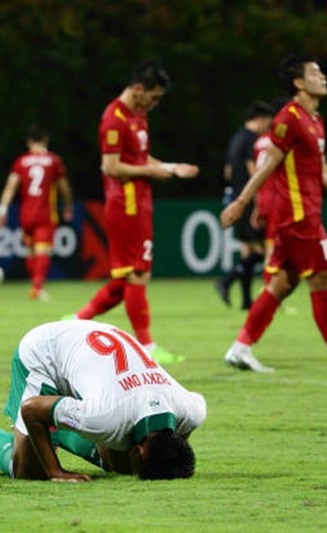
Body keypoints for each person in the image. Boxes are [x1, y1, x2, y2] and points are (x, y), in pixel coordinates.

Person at [220, 54, 327, 373]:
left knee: (282, 284)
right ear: (298, 82)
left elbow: (320, 168)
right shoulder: (288, 118)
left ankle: (240, 348)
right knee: (323, 277)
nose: (323, 77)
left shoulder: (315, 120)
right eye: (315, 73)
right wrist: (242, 201)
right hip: (296, 217)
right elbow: (268, 165)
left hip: (304, 213)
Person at [0, 320, 207, 481]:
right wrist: (56, 472)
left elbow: (177, 434)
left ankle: (59, 425)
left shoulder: (191, 410)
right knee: (29, 470)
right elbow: (31, 410)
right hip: (45, 353)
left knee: (120, 463)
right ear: (139, 451)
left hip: (92, 345)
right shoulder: (105, 417)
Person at [67, 60, 199, 364]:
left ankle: (76, 321)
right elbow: (111, 167)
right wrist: (153, 172)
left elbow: (140, 157)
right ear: (138, 89)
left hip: (139, 201)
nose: (154, 103)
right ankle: (147, 348)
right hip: (125, 203)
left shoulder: (138, 115)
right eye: (153, 97)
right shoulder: (113, 119)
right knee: (138, 274)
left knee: (124, 278)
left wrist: (168, 167)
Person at [0, 125, 74, 301]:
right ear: (45, 140)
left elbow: (10, 187)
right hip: (45, 213)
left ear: (28, 142)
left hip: (26, 214)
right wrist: (68, 205)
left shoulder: (21, 161)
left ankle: (35, 286)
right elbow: (63, 186)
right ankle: (37, 288)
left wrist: (2, 210)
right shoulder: (53, 161)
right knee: (42, 251)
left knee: (31, 252)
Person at [214, 101, 275, 310]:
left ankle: (247, 301)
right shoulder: (253, 141)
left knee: (248, 250)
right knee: (263, 251)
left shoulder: (236, 138)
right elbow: (255, 172)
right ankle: (227, 280)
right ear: (260, 118)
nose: (269, 126)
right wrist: (258, 200)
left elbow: (228, 172)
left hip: (236, 199)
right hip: (249, 201)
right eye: (268, 121)